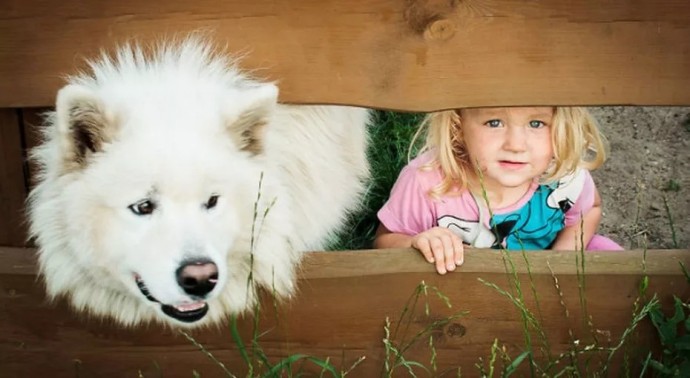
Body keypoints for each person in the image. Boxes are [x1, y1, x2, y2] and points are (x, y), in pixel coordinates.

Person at [374, 107, 623, 274]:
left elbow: (589, 211)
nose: (515, 145)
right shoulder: (428, 182)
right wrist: (417, 242)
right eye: (494, 123)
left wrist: (560, 263)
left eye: (536, 123)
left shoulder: (563, 175)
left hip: (543, 268)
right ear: (457, 127)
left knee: (612, 261)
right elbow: (385, 240)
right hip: (457, 283)